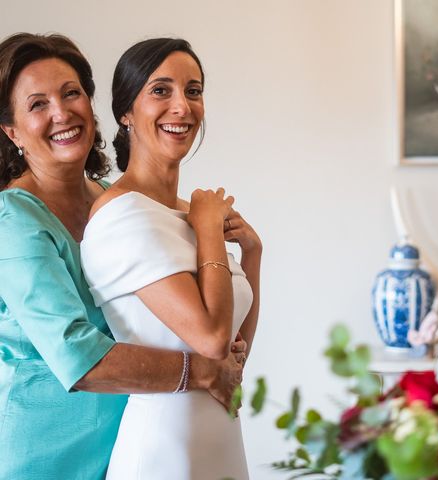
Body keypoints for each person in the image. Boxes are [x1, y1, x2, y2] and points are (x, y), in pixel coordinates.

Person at [0, 33, 246, 480]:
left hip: (130, 441)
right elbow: (78, 355)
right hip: (49, 455)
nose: (61, 112)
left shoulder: (112, 202)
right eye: (38, 104)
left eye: (71, 93)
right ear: (12, 131)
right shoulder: (13, 223)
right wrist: (205, 371)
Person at [80, 38, 262, 479]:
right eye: (161, 90)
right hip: (163, 449)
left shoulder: (190, 211)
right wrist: (206, 230)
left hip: (219, 441)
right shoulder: (121, 215)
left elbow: (234, 357)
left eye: (193, 91)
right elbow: (212, 340)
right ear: (126, 111)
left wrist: (254, 254)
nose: (182, 106)